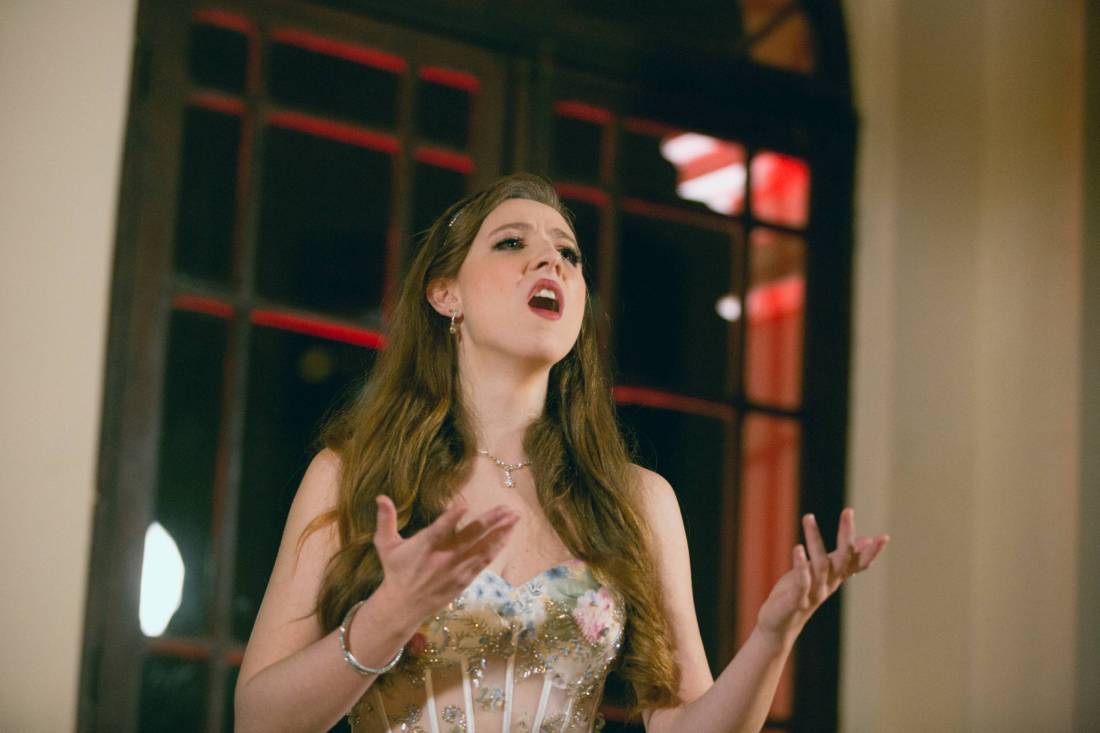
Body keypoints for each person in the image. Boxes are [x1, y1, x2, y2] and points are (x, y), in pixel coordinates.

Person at [234, 173, 888, 733]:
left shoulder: (637, 500)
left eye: (568, 254)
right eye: (512, 242)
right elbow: (257, 719)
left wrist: (773, 636)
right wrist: (388, 615)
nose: (550, 262)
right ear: (445, 292)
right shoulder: (352, 475)